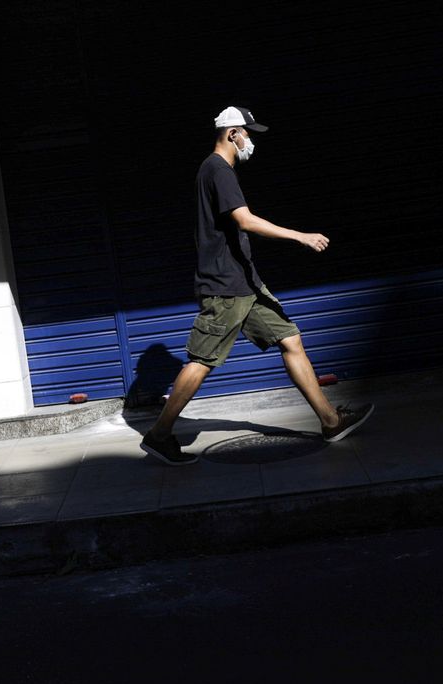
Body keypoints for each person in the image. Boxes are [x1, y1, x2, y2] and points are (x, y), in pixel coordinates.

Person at [140, 106, 373, 465]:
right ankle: (158, 436)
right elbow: (244, 221)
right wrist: (300, 236)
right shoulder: (218, 169)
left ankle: (330, 421)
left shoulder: (216, 170)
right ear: (233, 134)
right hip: (225, 285)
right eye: (248, 133)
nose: (250, 140)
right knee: (201, 361)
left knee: (290, 339)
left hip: (244, 282)